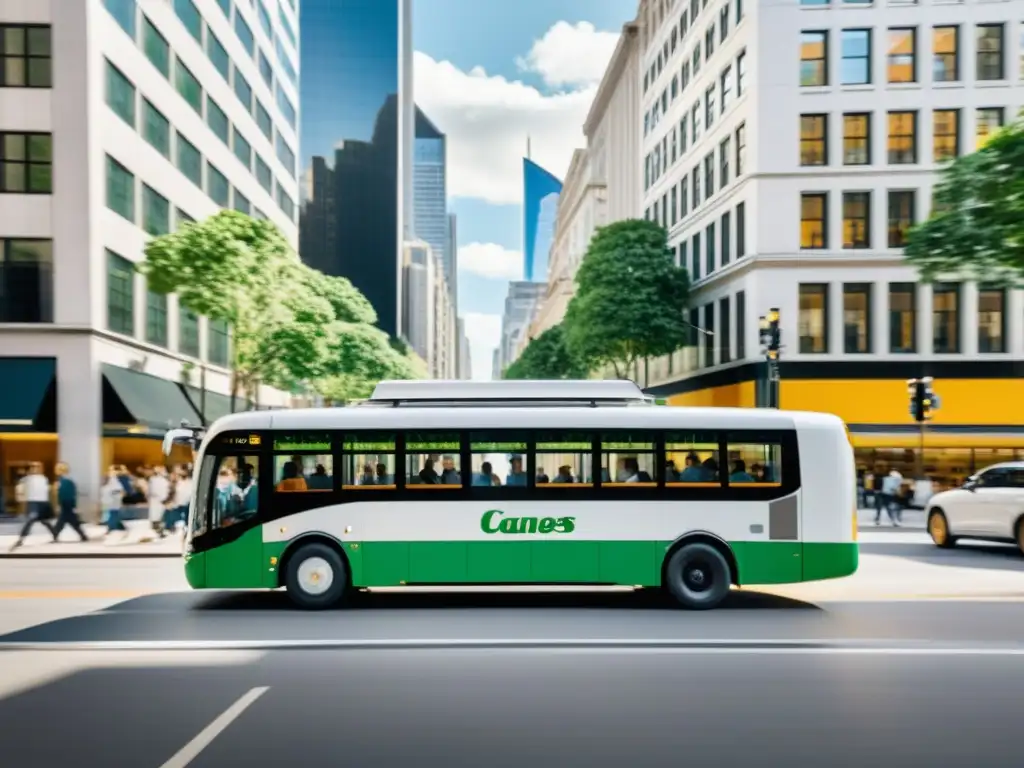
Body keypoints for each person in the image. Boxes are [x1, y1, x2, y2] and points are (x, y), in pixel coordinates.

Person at [8, 462, 55, 551]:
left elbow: (46, 491)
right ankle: (21, 539)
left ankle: (55, 535)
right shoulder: (28, 478)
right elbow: (19, 482)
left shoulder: (44, 478)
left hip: (43, 502)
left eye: (37, 467)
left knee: (45, 521)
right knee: (30, 520)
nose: (35, 469)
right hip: (33, 502)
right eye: (33, 467)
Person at [51, 462, 88, 543]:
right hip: (68, 503)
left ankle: (55, 534)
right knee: (70, 520)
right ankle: (82, 535)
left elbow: (63, 494)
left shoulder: (64, 481)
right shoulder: (66, 480)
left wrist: (60, 504)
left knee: (64, 520)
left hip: (66, 503)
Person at [101, 466, 127, 540]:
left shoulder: (108, 479)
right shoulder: (113, 479)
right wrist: (121, 492)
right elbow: (116, 490)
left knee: (113, 514)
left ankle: (119, 527)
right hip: (113, 500)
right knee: (113, 514)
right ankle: (112, 528)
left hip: (109, 500)